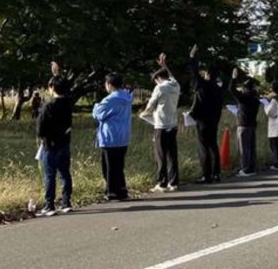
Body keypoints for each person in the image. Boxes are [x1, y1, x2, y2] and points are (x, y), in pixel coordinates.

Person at [142, 53, 181, 193]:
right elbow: (172, 77)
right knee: (172, 154)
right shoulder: (176, 86)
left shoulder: (160, 88)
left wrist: (144, 113)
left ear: (158, 78)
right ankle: (174, 182)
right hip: (173, 123)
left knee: (160, 154)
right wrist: (165, 66)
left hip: (161, 125)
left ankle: (162, 183)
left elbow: (151, 104)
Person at [35, 74, 73, 217]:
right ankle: (66, 202)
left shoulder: (48, 106)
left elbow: (40, 127)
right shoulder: (68, 104)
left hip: (50, 144)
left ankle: (49, 205)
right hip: (64, 142)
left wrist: (41, 138)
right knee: (64, 173)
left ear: (52, 88)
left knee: (49, 174)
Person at [93, 72, 133, 201]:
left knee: (108, 166)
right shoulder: (127, 96)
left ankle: (111, 191)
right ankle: (121, 190)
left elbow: (98, 114)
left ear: (109, 85)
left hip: (110, 136)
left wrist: (95, 106)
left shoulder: (110, 99)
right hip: (123, 136)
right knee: (119, 166)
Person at [187, 45, 224, 184]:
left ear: (207, 74)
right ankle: (216, 173)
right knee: (213, 145)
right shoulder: (218, 89)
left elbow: (194, 72)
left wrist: (192, 57)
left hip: (202, 119)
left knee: (203, 146)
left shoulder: (202, 85)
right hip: (214, 120)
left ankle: (206, 174)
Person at [229, 68, 260, 177]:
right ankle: (251, 168)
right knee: (251, 148)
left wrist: (233, 78)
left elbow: (231, 90)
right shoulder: (255, 98)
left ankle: (245, 169)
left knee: (244, 148)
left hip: (243, 124)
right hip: (252, 124)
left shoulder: (244, 97)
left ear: (245, 88)